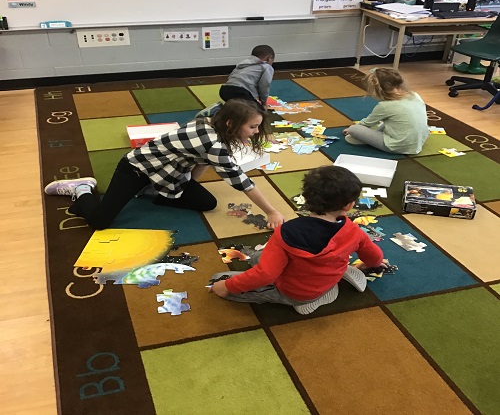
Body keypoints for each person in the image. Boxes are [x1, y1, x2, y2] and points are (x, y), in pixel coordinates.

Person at [44, 99, 285, 230]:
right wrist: (271, 211)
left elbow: (201, 161)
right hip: (137, 169)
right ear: (231, 123)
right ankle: (82, 189)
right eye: (252, 127)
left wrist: (188, 184)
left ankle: (152, 191)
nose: (255, 132)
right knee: (99, 221)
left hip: (169, 173)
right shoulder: (212, 142)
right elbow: (242, 182)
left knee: (207, 202)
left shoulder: (213, 121)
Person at [209, 166, 385, 315]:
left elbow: (266, 275)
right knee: (260, 259)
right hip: (328, 278)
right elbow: (375, 256)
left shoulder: (286, 232)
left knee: (218, 280)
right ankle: (330, 286)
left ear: (306, 199)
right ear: (348, 205)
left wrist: (227, 286)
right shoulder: (354, 231)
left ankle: (303, 301)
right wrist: (372, 264)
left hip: (295, 293)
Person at [343, 68, 429, 154]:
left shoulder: (385, 106)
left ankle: (368, 140)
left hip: (397, 146)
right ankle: (370, 139)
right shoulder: (415, 95)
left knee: (353, 129)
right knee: (390, 122)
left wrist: (351, 129)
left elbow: (367, 123)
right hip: (419, 142)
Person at [220, 45, 275, 110]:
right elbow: (265, 85)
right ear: (269, 58)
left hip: (225, 90)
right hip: (240, 91)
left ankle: (218, 109)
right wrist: (264, 102)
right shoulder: (266, 67)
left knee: (238, 108)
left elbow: (232, 77)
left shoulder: (243, 64)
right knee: (257, 111)